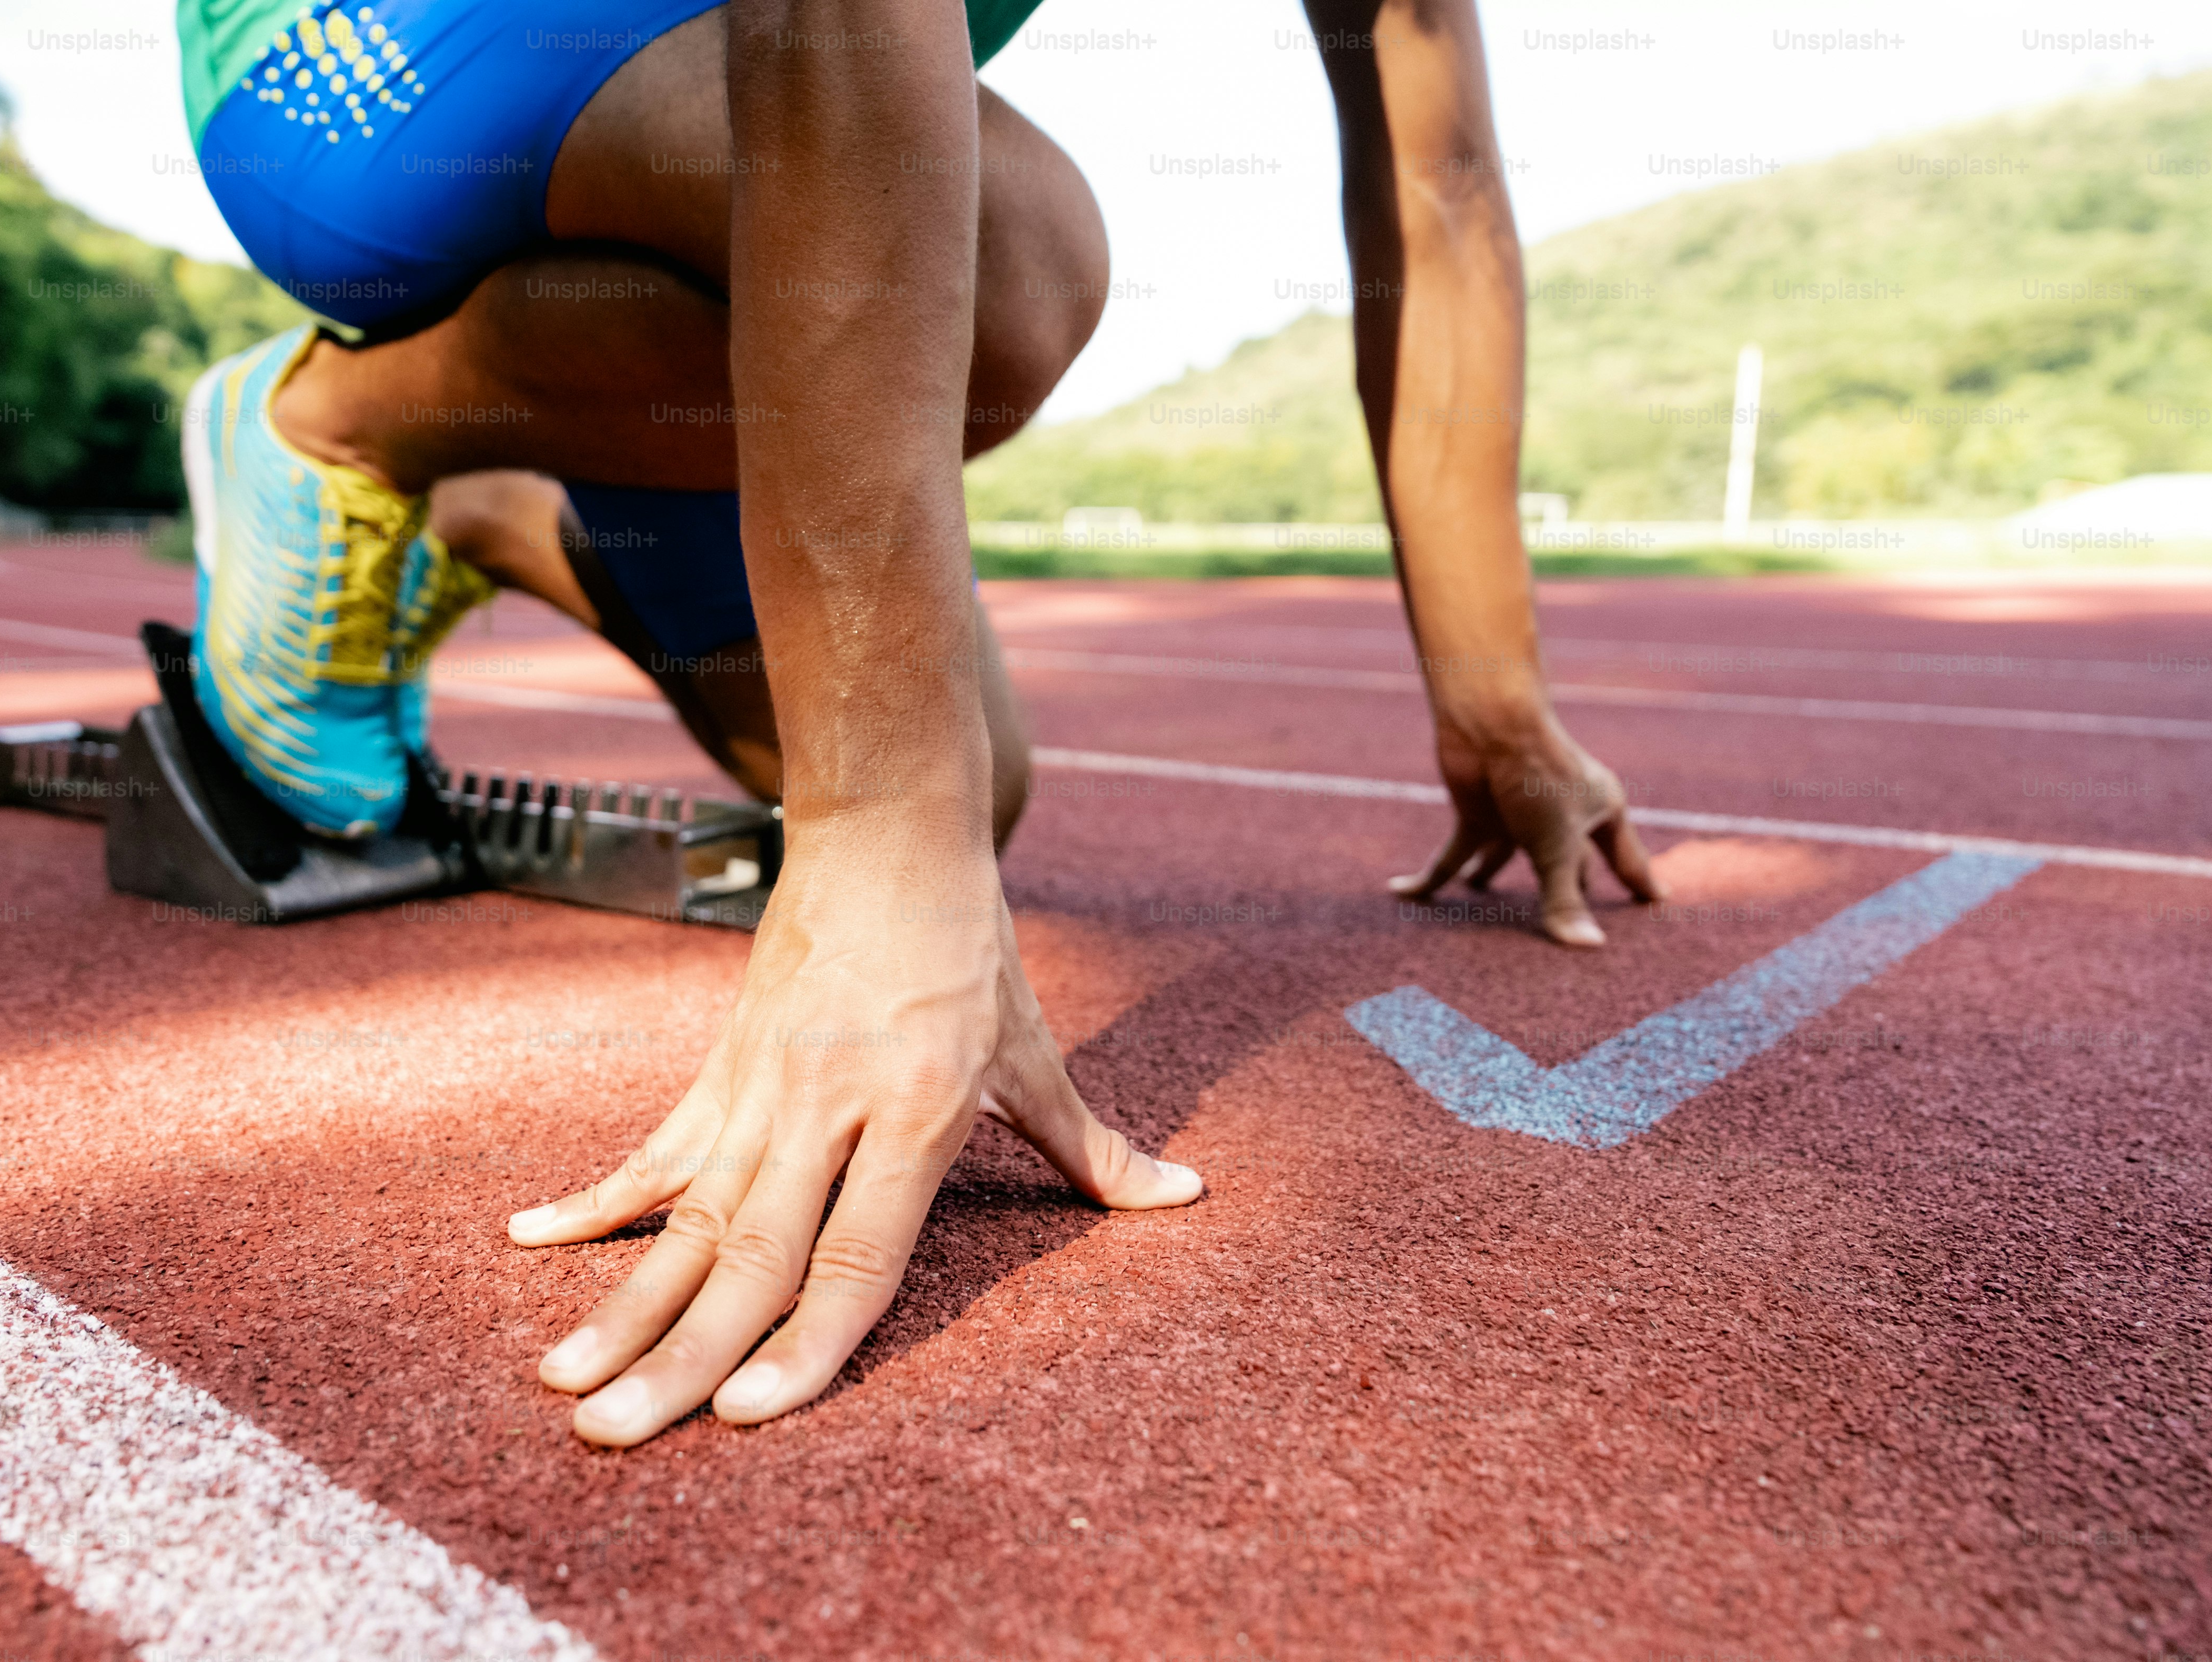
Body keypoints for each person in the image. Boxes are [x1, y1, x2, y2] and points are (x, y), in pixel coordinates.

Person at [173, 0, 1661, 1447]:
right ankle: (345, 419)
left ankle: (488, 498)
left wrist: (1495, 699)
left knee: (979, 787)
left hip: (727, 165)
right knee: (1008, 266)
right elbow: (831, 27)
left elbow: (1440, 184)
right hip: (361, 54)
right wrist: (877, 835)